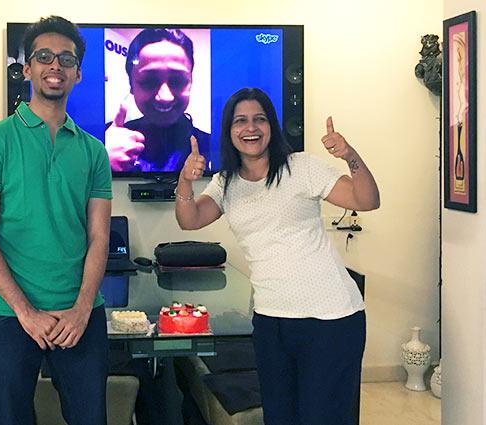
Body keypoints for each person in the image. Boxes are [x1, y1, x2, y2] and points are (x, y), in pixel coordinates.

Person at [175, 88, 380, 425]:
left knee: (324, 417)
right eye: (240, 121)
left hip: (330, 319)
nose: (250, 128)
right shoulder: (225, 183)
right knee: (280, 417)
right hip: (271, 322)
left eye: (259, 119)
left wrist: (349, 155)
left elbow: (367, 200)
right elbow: (190, 219)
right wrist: (185, 181)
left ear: (272, 126)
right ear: (229, 130)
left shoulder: (302, 167)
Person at [0, 16, 113, 425]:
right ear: (26, 68)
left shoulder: (95, 151)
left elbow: (99, 236)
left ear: (79, 73)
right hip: (7, 312)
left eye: (66, 59)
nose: (55, 66)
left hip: (78, 313)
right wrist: (26, 312)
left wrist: (83, 309)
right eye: (44, 56)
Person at [105, 28, 210, 172]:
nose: (165, 97)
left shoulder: (214, 146)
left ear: (191, 82)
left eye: (177, 81)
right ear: (131, 85)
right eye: (149, 81)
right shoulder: (101, 142)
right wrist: (100, 161)